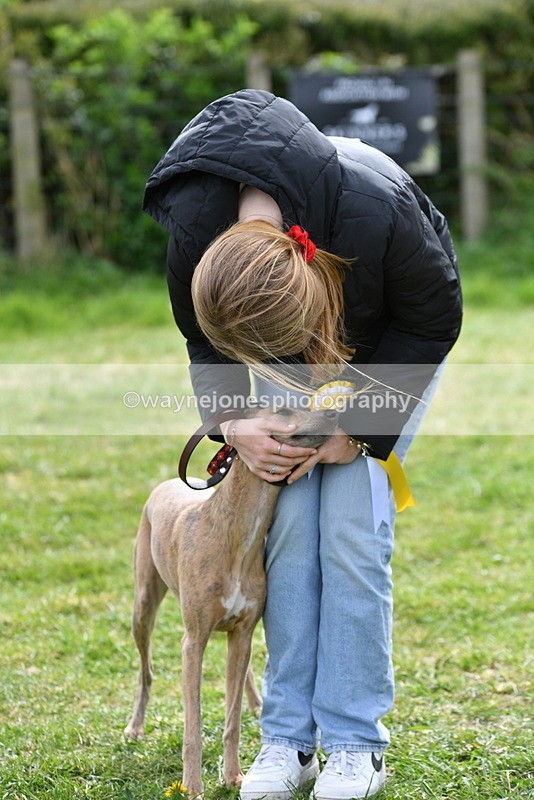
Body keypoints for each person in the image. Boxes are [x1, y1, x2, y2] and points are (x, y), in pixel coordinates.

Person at [143, 89, 462, 800]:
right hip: (283, 327)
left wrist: (359, 428)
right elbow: (203, 339)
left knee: (348, 529)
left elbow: (433, 319)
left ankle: (354, 744)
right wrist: (235, 422)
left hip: (392, 345)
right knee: (287, 526)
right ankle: (287, 740)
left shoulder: (379, 213)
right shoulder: (197, 235)